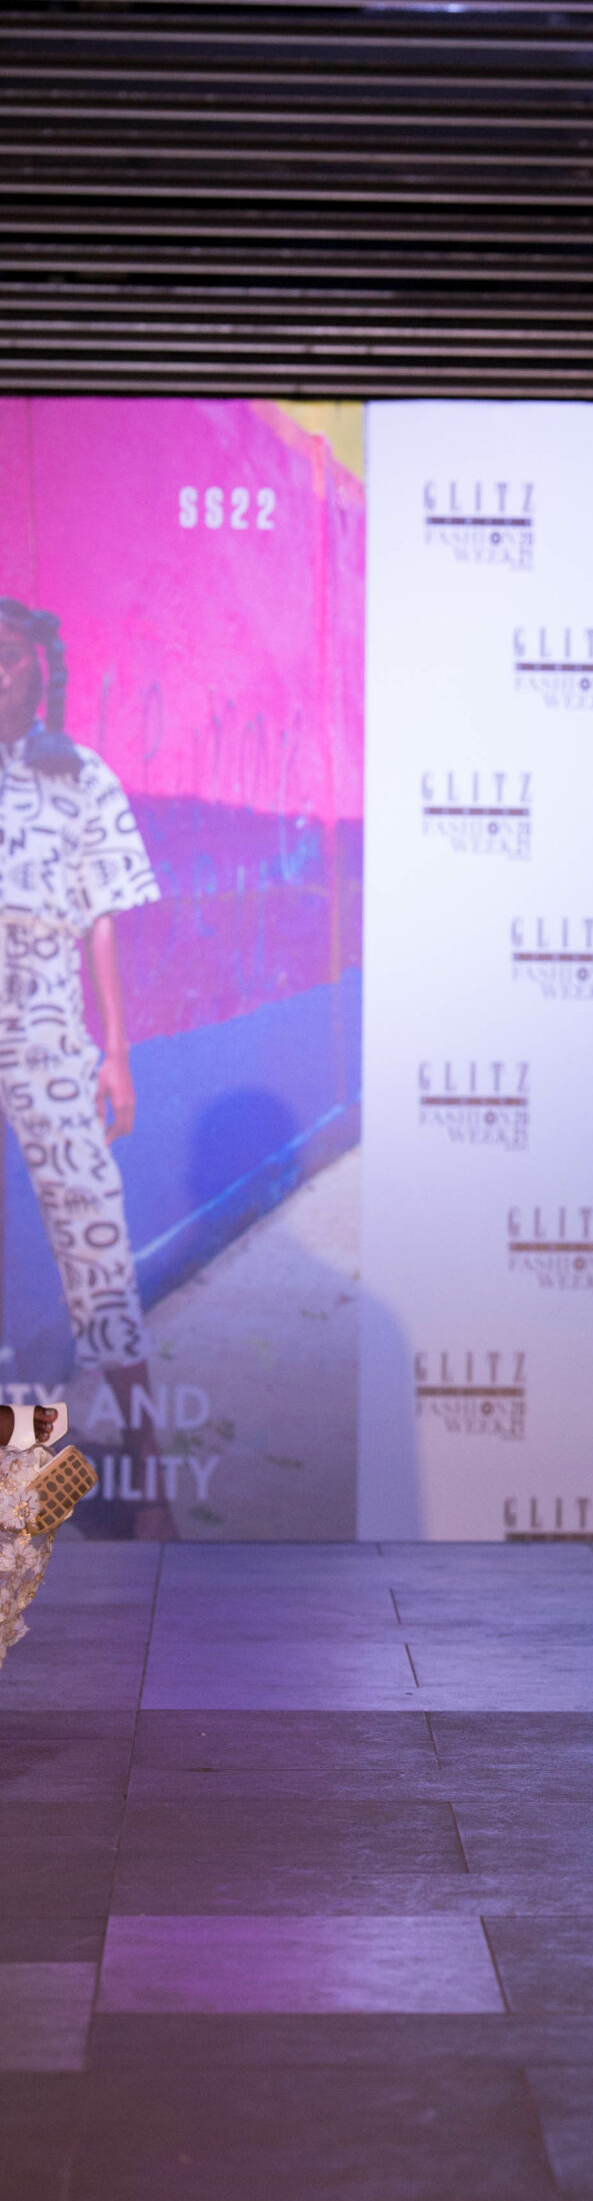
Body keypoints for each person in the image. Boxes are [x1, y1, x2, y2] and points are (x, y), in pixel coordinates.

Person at [0, 599, 175, 1538]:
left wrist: (116, 1052)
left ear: (42, 669)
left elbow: (101, 915)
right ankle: (17, 1484)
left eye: (10, 657)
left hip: (49, 1036)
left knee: (97, 1251)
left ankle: (150, 1476)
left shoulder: (80, 775)